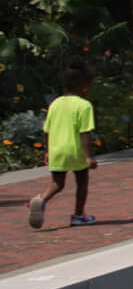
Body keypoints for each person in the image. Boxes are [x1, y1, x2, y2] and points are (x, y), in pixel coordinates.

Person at [29, 58, 98, 228]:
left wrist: (47, 151)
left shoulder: (55, 104)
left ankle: (41, 199)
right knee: (82, 182)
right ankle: (78, 215)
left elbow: (47, 130)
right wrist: (88, 156)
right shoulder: (84, 106)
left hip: (56, 149)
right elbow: (84, 132)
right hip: (76, 151)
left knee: (57, 184)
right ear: (83, 86)